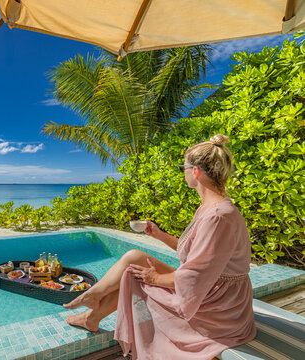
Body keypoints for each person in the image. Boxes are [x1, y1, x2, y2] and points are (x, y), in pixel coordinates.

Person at [63, 134, 256, 360]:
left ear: (196, 172)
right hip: (212, 287)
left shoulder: (218, 217)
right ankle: (93, 302)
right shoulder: (210, 208)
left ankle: (91, 314)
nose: (183, 172)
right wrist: (159, 235)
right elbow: (197, 256)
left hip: (218, 307)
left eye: (184, 167)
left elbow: (195, 274)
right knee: (134, 257)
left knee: (133, 275)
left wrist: (154, 279)